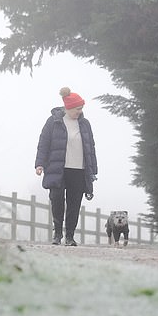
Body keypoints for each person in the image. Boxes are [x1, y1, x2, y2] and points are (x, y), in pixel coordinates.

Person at [35, 87, 98, 246]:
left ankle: (70, 236)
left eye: (81, 108)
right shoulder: (53, 122)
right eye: (78, 108)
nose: (80, 111)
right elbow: (43, 143)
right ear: (68, 108)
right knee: (56, 200)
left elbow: (91, 147)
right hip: (58, 168)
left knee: (74, 203)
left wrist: (93, 170)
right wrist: (40, 164)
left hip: (79, 169)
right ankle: (57, 234)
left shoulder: (84, 124)